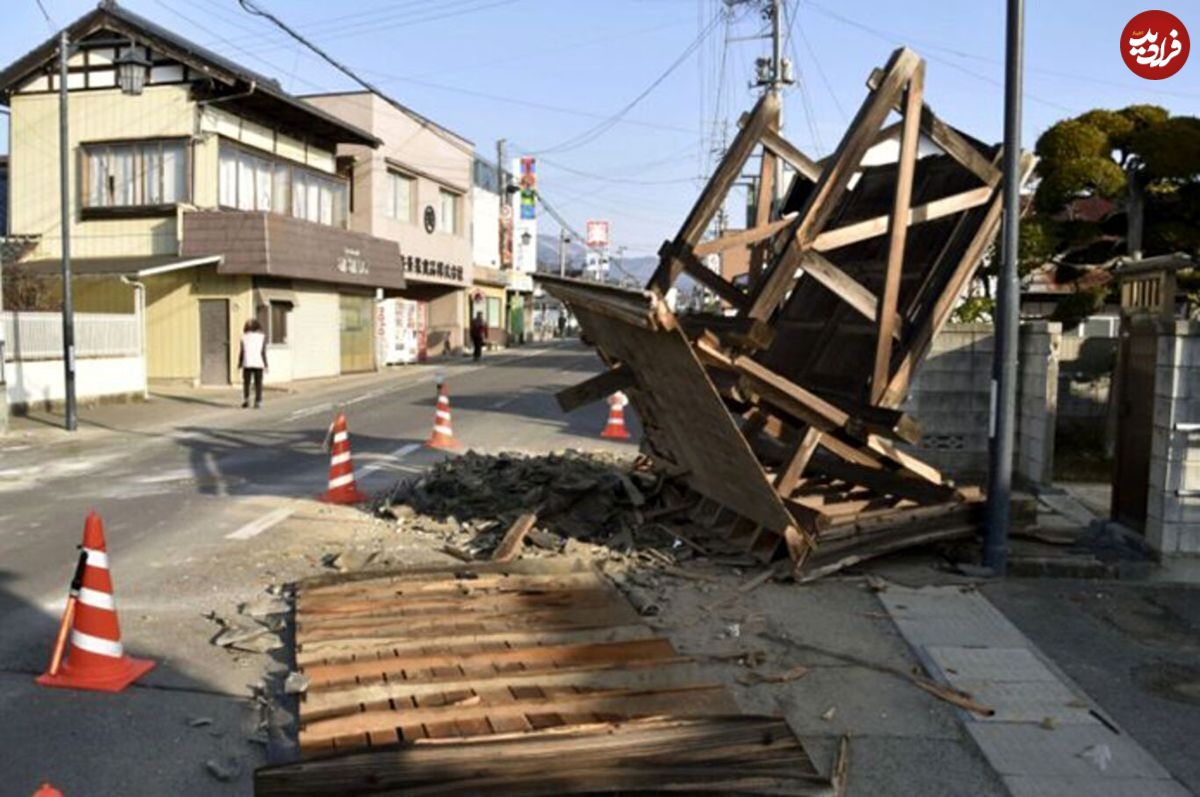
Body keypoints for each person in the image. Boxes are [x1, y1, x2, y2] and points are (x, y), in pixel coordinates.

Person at [238, 319, 268, 408]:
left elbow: (242, 352)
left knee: (246, 382)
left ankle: (246, 400)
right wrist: (266, 365)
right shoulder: (262, 337)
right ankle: (258, 401)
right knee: (258, 383)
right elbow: (263, 352)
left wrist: (239, 363)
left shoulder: (243, 337)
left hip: (247, 362)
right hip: (258, 362)